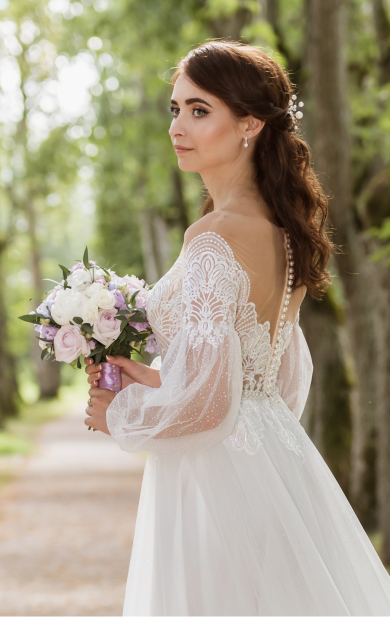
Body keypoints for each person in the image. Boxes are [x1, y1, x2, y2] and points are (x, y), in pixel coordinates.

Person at [84, 41, 390, 616]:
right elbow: (279, 376)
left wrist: (119, 414)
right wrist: (152, 378)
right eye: (175, 108)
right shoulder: (285, 235)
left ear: (250, 123)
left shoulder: (214, 237)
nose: (180, 125)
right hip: (274, 457)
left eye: (201, 110)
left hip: (214, 473)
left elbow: (208, 407)